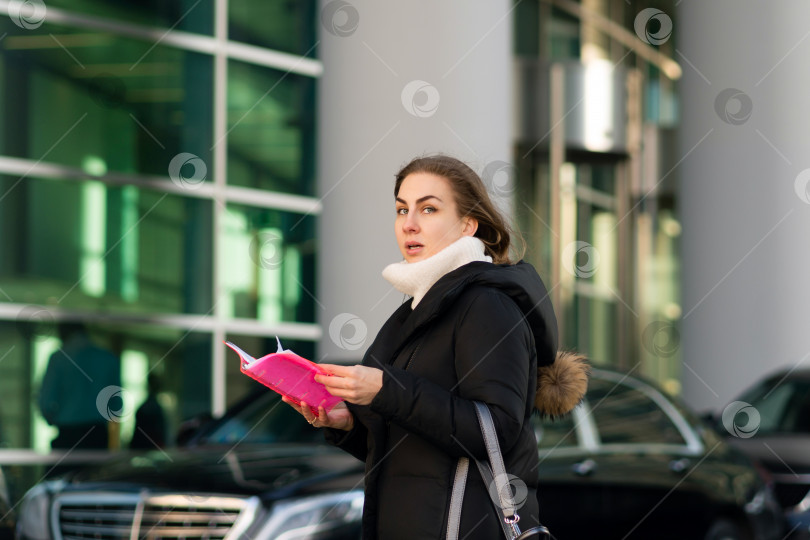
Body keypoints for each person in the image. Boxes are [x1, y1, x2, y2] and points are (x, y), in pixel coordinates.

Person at [283, 155, 588, 539]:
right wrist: (345, 423)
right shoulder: (415, 310)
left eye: (428, 208)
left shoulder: (486, 305)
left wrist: (386, 390)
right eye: (401, 209)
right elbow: (410, 450)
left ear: (467, 224)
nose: (409, 223)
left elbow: (496, 429)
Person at [39, 322, 121, 450]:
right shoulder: (108, 358)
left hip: (68, 433)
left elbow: (46, 401)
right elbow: (117, 404)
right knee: (97, 470)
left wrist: (53, 419)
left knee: (66, 470)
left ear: (63, 331)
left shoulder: (58, 358)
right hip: (97, 434)